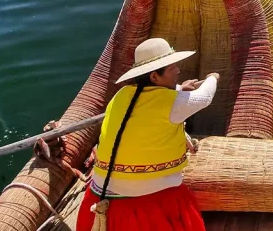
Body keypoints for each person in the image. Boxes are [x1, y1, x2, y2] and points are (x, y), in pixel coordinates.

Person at [78, 37, 219, 231]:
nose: (178, 71)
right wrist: (213, 78)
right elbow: (205, 98)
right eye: (172, 69)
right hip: (144, 202)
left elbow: (149, 101)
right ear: (154, 77)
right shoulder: (172, 104)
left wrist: (179, 89)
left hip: (100, 194)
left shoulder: (121, 96)